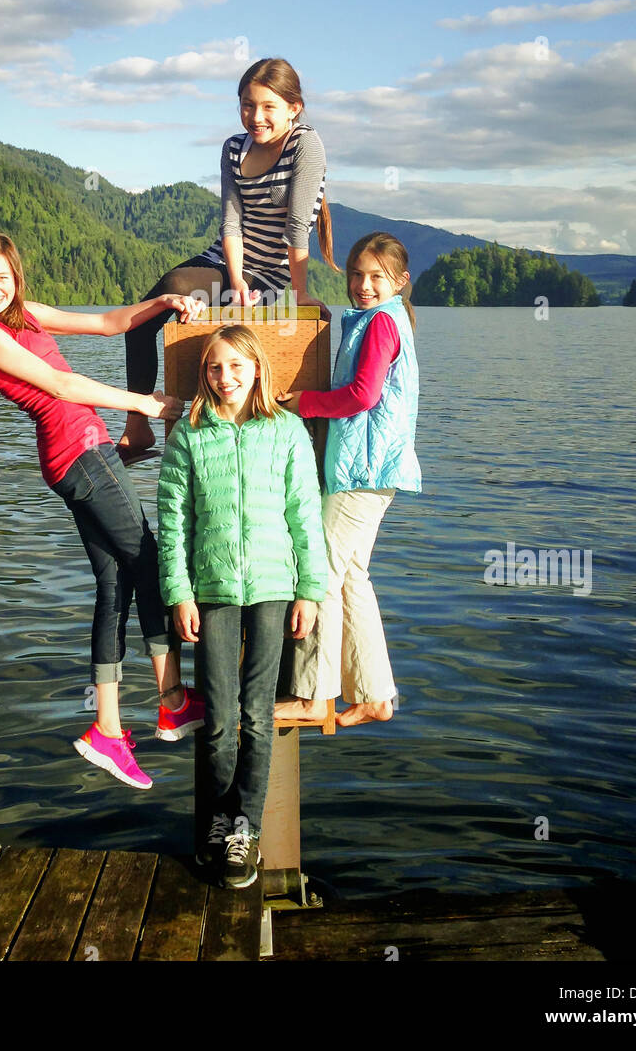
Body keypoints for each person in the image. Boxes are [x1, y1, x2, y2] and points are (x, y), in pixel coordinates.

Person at [0, 233, 208, 791]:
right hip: (79, 454)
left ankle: (109, 730)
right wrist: (143, 403)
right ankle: (171, 702)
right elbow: (62, 384)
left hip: (79, 454)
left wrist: (164, 304)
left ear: (15, 277)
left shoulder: (26, 315)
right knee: (148, 562)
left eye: (1, 277)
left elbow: (109, 323)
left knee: (115, 583)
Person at [157, 325, 327, 888]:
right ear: (204, 376)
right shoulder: (190, 433)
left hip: (275, 589)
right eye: (213, 368)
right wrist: (179, 592)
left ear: (257, 370)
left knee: (258, 717)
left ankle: (245, 831)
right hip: (213, 591)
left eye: (235, 366)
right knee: (218, 720)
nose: (224, 378)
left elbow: (305, 515)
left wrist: (310, 590)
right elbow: (174, 522)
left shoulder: (287, 431)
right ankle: (211, 826)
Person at [117, 56, 340, 464]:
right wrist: (235, 283)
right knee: (144, 318)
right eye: (247, 105)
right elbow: (231, 222)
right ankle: (138, 425)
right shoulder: (234, 148)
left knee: (196, 311)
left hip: (272, 272)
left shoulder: (305, 144)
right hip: (228, 262)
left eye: (268, 107)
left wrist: (301, 293)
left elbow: (296, 227)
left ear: (294, 108)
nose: (256, 117)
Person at [274, 233, 421, 728]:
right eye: (356, 274)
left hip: (363, 470)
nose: (362, 285)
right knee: (353, 575)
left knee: (320, 573)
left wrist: (305, 404)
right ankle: (377, 695)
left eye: (376, 277)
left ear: (399, 282)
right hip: (374, 470)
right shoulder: (380, 319)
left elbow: (362, 395)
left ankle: (316, 698)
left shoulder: (381, 322)